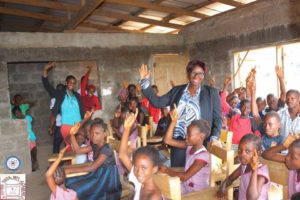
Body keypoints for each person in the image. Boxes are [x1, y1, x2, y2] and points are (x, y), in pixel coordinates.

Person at [139, 60, 222, 167]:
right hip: (178, 142)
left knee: (196, 178)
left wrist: (214, 137)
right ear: (188, 74)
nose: (197, 76)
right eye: (193, 73)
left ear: (203, 75)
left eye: (200, 73)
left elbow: (218, 118)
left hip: (200, 143)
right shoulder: (177, 91)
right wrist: (145, 82)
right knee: (178, 174)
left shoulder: (211, 93)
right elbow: (157, 102)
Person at [65, 120, 121, 200]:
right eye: (91, 133)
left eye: (97, 134)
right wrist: (72, 135)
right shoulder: (94, 145)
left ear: (104, 134)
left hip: (107, 181)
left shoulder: (106, 149)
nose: (93, 136)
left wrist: (70, 170)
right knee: (70, 181)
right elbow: (78, 150)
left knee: (78, 189)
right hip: (97, 174)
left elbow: (92, 167)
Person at [160, 105, 211, 194]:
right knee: (163, 191)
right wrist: (173, 122)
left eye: (189, 134)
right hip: (186, 187)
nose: (185, 136)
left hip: (197, 193)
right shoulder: (189, 146)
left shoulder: (203, 156)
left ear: (201, 137)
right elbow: (167, 140)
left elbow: (185, 177)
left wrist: (166, 170)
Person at [119, 110, 162, 200]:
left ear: (154, 169)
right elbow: (122, 155)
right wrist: (127, 129)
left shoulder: (153, 197)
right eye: (136, 167)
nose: (138, 172)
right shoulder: (140, 180)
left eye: (143, 168)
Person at [217, 134, 270, 200]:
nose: (242, 154)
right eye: (240, 150)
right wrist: (223, 187)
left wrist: (254, 171)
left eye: (247, 151)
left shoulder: (261, 173)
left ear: (258, 153)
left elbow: (252, 198)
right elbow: (231, 178)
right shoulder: (244, 166)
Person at [42, 62, 83, 126]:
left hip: (78, 125)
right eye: (70, 82)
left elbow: (81, 110)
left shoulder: (77, 96)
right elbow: (48, 86)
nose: (72, 84)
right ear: (66, 83)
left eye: (74, 83)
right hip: (67, 125)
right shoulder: (60, 94)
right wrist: (45, 70)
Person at [249, 74, 284, 150]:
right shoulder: (264, 130)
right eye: (265, 124)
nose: (266, 127)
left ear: (279, 125)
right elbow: (255, 115)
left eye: (270, 124)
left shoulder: (282, 142)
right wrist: (253, 93)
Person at [262, 134, 300, 199]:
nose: (287, 158)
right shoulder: (293, 165)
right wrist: (282, 146)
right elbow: (266, 155)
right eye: (288, 153)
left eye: (293, 157)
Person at [12, 106, 39, 171]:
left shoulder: (28, 117)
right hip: (23, 138)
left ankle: (35, 162)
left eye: (18, 112)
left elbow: (32, 122)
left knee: (34, 151)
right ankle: (33, 166)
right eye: (15, 114)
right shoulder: (16, 121)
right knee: (28, 153)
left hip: (31, 136)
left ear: (20, 111)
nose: (17, 114)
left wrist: (30, 129)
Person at [49, 84, 65, 153]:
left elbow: (54, 113)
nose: (60, 91)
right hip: (59, 124)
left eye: (61, 89)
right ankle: (56, 160)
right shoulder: (54, 99)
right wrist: (51, 127)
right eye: (58, 89)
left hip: (66, 124)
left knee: (65, 143)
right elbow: (53, 113)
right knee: (56, 143)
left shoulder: (67, 98)